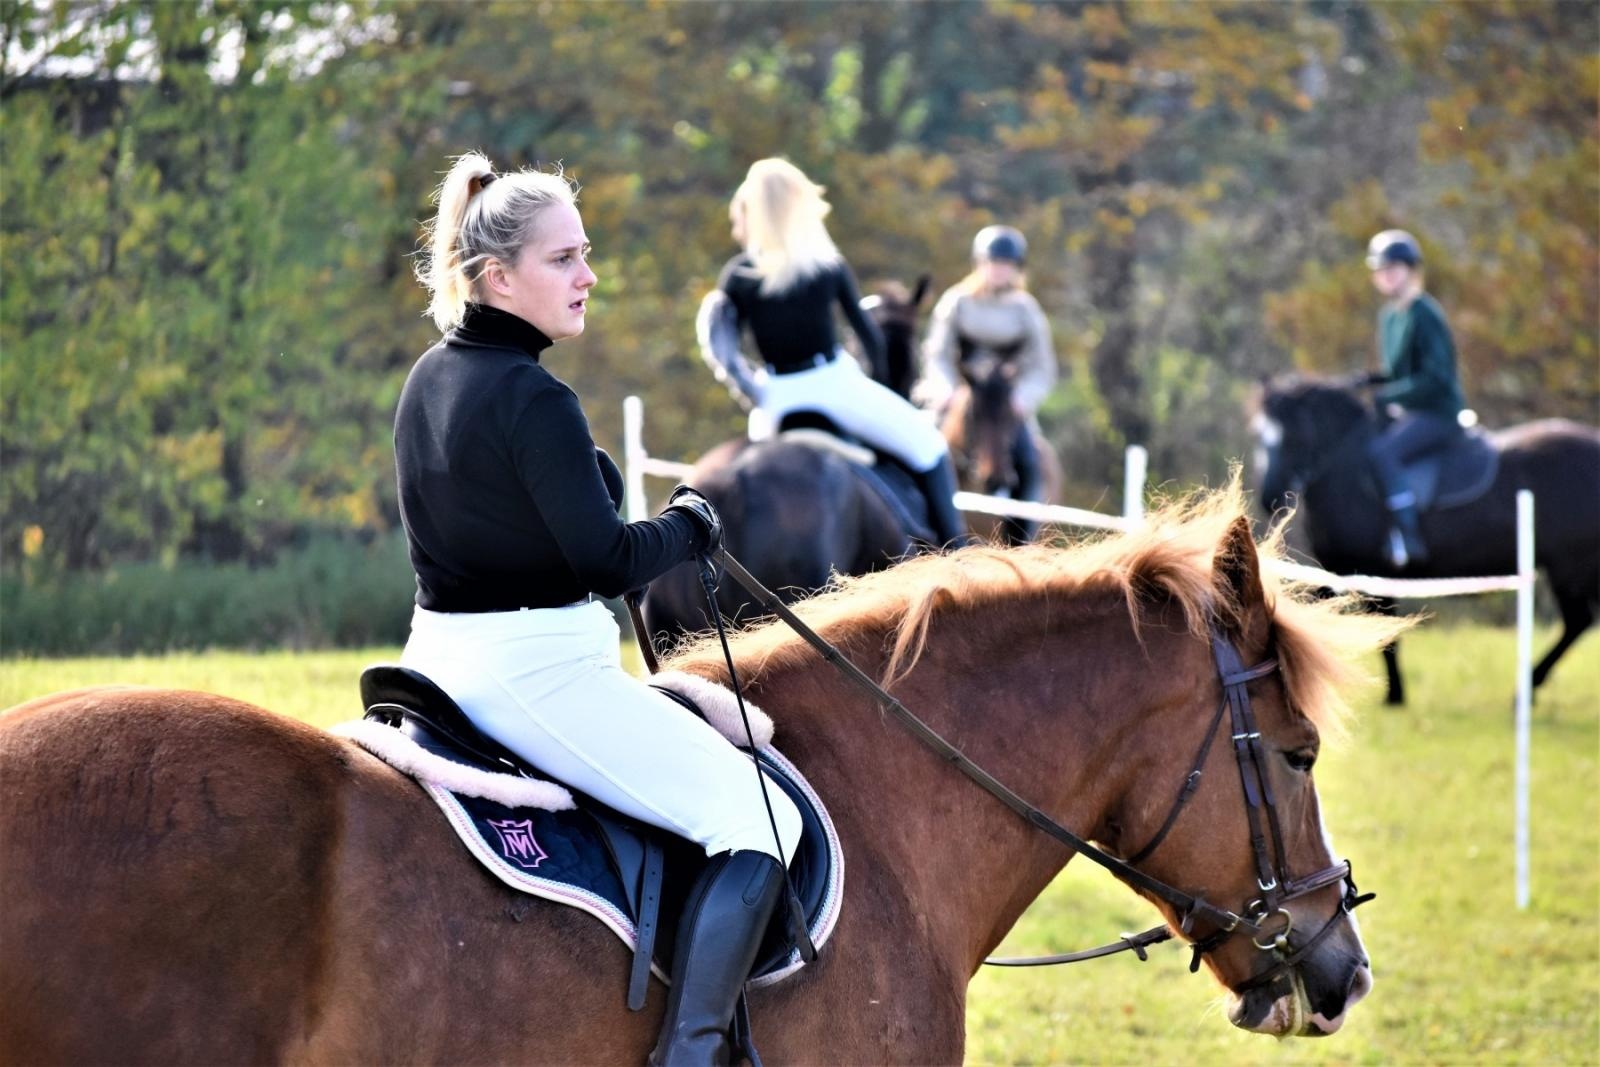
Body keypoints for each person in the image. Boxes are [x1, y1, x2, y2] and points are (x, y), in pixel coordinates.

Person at [396, 152, 802, 1066]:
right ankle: (690, 1052)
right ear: (498, 275)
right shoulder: (535, 397)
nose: (588, 277)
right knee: (759, 821)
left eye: (586, 253)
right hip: (533, 676)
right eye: (562, 260)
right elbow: (603, 557)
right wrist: (689, 525)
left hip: (432, 659)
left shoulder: (429, 375)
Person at [698, 157, 970, 547]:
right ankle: (956, 551)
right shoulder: (827, 266)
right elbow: (872, 341)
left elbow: (721, 341)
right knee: (929, 445)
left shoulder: (738, 275)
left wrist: (748, 386)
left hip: (773, 399)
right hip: (835, 386)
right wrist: (886, 389)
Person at [917, 225, 1058, 543]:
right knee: (922, 449)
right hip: (960, 401)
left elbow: (1041, 367)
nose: (998, 270)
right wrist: (947, 390)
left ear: (1016, 268)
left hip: (1005, 407)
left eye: (1005, 264)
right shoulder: (957, 302)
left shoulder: (1026, 310)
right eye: (993, 262)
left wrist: (1022, 399)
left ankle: (1021, 540)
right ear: (979, 263)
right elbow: (936, 353)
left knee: (1029, 459)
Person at [1359, 228, 1466, 568]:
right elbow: (1397, 371)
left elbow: (1436, 378)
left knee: (1382, 452)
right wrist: (1366, 382)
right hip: (1406, 412)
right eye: (1381, 270)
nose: (1387, 275)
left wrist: (1389, 395)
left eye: (1393, 268)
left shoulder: (1425, 312)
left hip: (1438, 413)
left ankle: (1408, 535)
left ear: (1410, 269)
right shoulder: (1389, 316)